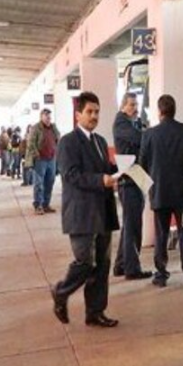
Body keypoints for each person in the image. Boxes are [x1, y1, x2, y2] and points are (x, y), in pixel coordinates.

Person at [51, 92, 120, 328]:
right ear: (78, 114)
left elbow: (106, 167)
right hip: (81, 213)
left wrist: (122, 168)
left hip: (103, 211)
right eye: (89, 112)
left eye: (97, 112)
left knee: (102, 265)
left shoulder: (100, 141)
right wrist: (101, 180)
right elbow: (71, 175)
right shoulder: (68, 142)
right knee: (85, 262)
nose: (94, 116)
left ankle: (95, 312)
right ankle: (61, 292)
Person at [140, 94, 183, 287]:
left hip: (159, 193)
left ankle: (160, 275)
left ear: (159, 111)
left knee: (161, 234)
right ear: (174, 110)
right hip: (182, 195)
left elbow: (142, 165)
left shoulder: (149, 135)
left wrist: (149, 189)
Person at [112, 93, 152, 280]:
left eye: (136, 104)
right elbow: (140, 140)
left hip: (137, 176)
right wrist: (151, 133)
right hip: (130, 178)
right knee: (133, 225)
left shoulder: (131, 122)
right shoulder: (121, 123)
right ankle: (132, 269)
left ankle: (121, 264)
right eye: (132, 105)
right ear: (123, 106)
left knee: (130, 223)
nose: (135, 108)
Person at [28, 109, 61, 215]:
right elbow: (31, 143)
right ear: (41, 116)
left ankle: (46, 204)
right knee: (39, 184)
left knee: (50, 182)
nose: (48, 119)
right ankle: (38, 205)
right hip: (40, 160)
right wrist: (36, 154)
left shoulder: (53, 127)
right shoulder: (36, 128)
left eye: (49, 117)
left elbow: (58, 138)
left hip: (52, 159)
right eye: (46, 116)